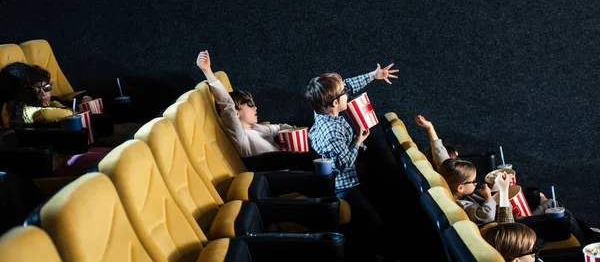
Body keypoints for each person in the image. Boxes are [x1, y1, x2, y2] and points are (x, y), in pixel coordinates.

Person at [415, 114, 600, 244]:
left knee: (548, 203)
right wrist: (497, 194)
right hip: (514, 226)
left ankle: (589, 233)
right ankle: (588, 241)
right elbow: (504, 223)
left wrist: (430, 129)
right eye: (472, 181)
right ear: (460, 187)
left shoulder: (448, 185)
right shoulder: (465, 206)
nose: (476, 182)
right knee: (558, 210)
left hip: (507, 219)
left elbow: (443, 162)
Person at [305, 63, 398, 262]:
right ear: (333, 104)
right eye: (343, 94)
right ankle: (372, 256)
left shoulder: (321, 110)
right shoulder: (332, 133)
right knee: (371, 223)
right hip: (344, 186)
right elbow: (344, 164)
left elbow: (348, 84)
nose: (348, 93)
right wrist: (357, 141)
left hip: (354, 176)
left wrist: (374, 75)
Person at [0, 62, 110, 176]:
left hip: (62, 157)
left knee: (113, 153)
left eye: (46, 88)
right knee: (111, 160)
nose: (41, 92)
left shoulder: (18, 105)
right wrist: (72, 113)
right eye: (34, 87)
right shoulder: (21, 111)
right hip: (54, 163)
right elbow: (44, 114)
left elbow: (50, 105)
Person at [196, 50, 297, 157]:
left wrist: (291, 129)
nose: (255, 108)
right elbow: (227, 105)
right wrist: (207, 71)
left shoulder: (256, 128)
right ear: (236, 113)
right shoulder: (240, 135)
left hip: (290, 164)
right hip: (275, 171)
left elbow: (279, 127)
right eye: (249, 104)